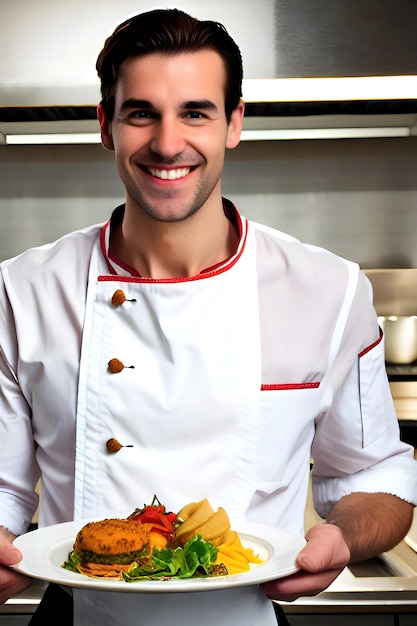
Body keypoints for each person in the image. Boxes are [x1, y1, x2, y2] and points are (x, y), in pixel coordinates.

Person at [0, 8, 416, 626]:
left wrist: (346, 538)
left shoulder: (328, 291)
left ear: (234, 124)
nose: (168, 143)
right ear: (106, 126)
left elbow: (375, 474)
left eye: (195, 111)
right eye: (141, 112)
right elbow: (5, 491)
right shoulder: (24, 290)